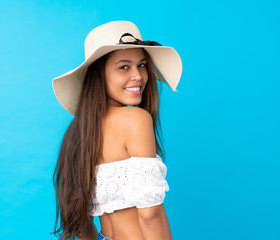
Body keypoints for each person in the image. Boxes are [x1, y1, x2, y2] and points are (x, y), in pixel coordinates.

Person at [52, 21, 182, 240]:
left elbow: (79, 219)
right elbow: (151, 215)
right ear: (98, 74)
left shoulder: (78, 132)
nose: (138, 76)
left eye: (141, 65)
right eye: (124, 67)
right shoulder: (136, 119)